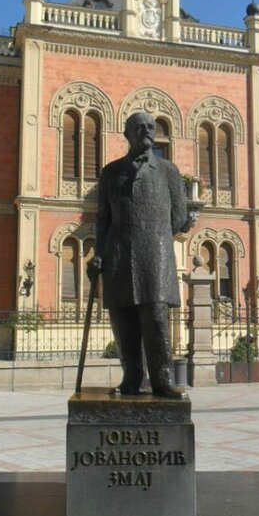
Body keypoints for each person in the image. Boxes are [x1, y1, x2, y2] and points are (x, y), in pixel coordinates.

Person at [89, 110, 193, 399]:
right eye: (140, 127)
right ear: (127, 134)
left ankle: (162, 379)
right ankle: (131, 377)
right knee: (124, 322)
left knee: (156, 318)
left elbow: (179, 215)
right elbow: (102, 218)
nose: (147, 131)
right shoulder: (111, 173)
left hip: (156, 254)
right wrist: (99, 252)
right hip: (119, 253)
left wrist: (153, 232)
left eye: (151, 126)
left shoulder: (169, 171)